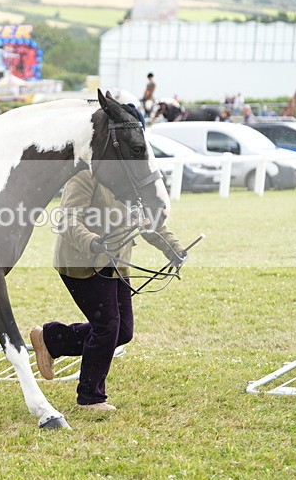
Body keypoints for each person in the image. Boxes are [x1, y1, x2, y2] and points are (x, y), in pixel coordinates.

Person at [30, 168, 186, 412]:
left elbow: (148, 221)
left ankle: (52, 339)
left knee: (123, 332)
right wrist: (92, 242)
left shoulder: (133, 178)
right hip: (83, 263)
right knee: (107, 327)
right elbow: (68, 220)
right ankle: (90, 398)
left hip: (117, 263)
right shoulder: (84, 174)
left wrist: (174, 248)